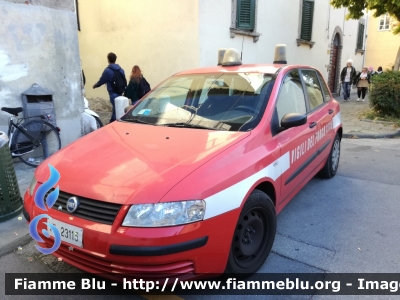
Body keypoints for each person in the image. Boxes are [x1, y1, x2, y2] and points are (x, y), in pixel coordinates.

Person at [93, 52, 126, 123]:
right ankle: (114, 122)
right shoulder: (121, 70)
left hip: (113, 92)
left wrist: (95, 85)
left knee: (116, 109)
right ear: (115, 59)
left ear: (108, 60)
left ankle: (112, 123)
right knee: (117, 108)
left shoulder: (108, 71)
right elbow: (124, 80)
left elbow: (102, 80)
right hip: (120, 92)